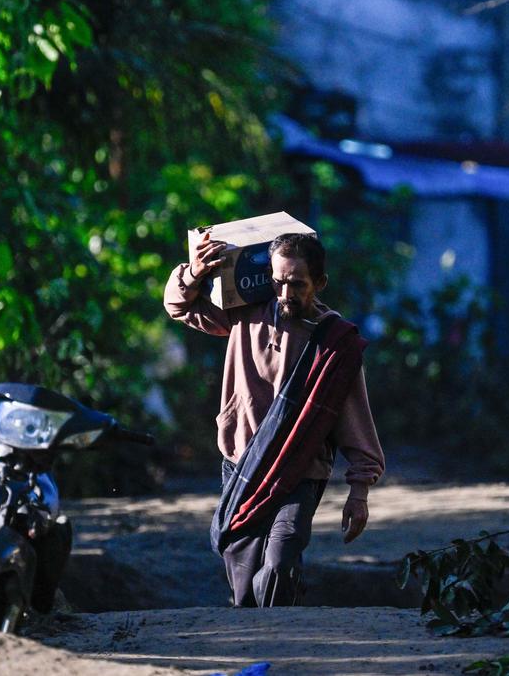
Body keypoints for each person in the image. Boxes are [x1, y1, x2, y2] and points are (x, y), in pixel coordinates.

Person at [164, 231, 384, 607]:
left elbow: (356, 420)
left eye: (297, 284)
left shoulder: (336, 343)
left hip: (300, 471)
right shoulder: (242, 315)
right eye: (278, 282)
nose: (285, 294)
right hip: (241, 466)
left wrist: (359, 492)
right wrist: (193, 272)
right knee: (244, 585)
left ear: (320, 283)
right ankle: (260, 647)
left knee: (281, 559)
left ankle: (280, 638)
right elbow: (179, 307)